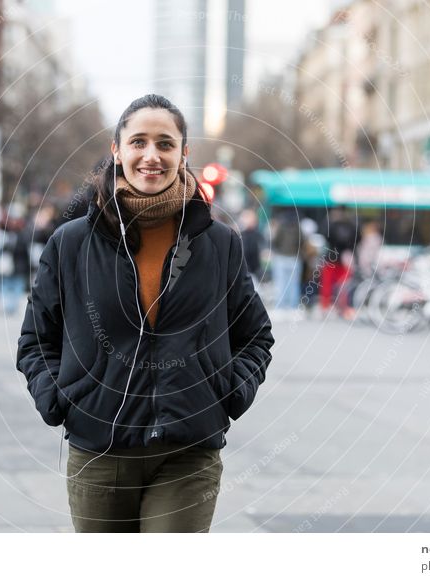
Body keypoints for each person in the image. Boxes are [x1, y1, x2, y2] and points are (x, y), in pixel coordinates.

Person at [16, 94, 274, 533]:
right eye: (138, 142)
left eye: (165, 143)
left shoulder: (220, 244)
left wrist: (229, 393)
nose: (151, 155)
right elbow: (36, 340)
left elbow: (256, 336)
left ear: (183, 153)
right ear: (117, 151)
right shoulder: (71, 243)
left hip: (188, 453)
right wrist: (60, 399)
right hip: (98, 452)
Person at [270, 210, 303, 313]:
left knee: (280, 283)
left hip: (281, 257)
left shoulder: (281, 227)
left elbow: (275, 241)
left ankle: (280, 307)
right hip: (294, 257)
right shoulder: (298, 228)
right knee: (294, 284)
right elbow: (302, 241)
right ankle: (293, 307)